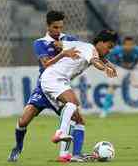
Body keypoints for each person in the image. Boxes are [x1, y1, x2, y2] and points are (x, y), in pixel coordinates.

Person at [8, 10, 85, 163]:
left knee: (78, 118)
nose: (58, 31)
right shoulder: (40, 43)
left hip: (60, 86)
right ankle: (18, 146)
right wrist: (63, 52)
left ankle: (76, 155)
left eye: (60, 27)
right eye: (55, 27)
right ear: (48, 26)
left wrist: (66, 48)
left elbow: (83, 53)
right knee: (24, 120)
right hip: (44, 87)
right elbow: (46, 63)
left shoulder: (69, 40)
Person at [39, 31, 118, 160]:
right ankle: (59, 133)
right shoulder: (90, 49)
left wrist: (109, 64)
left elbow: (57, 44)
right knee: (73, 103)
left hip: (54, 79)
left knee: (78, 119)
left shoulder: (82, 46)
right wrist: (105, 68)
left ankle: (69, 155)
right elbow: (95, 61)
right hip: (54, 78)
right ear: (100, 43)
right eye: (109, 46)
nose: (109, 50)